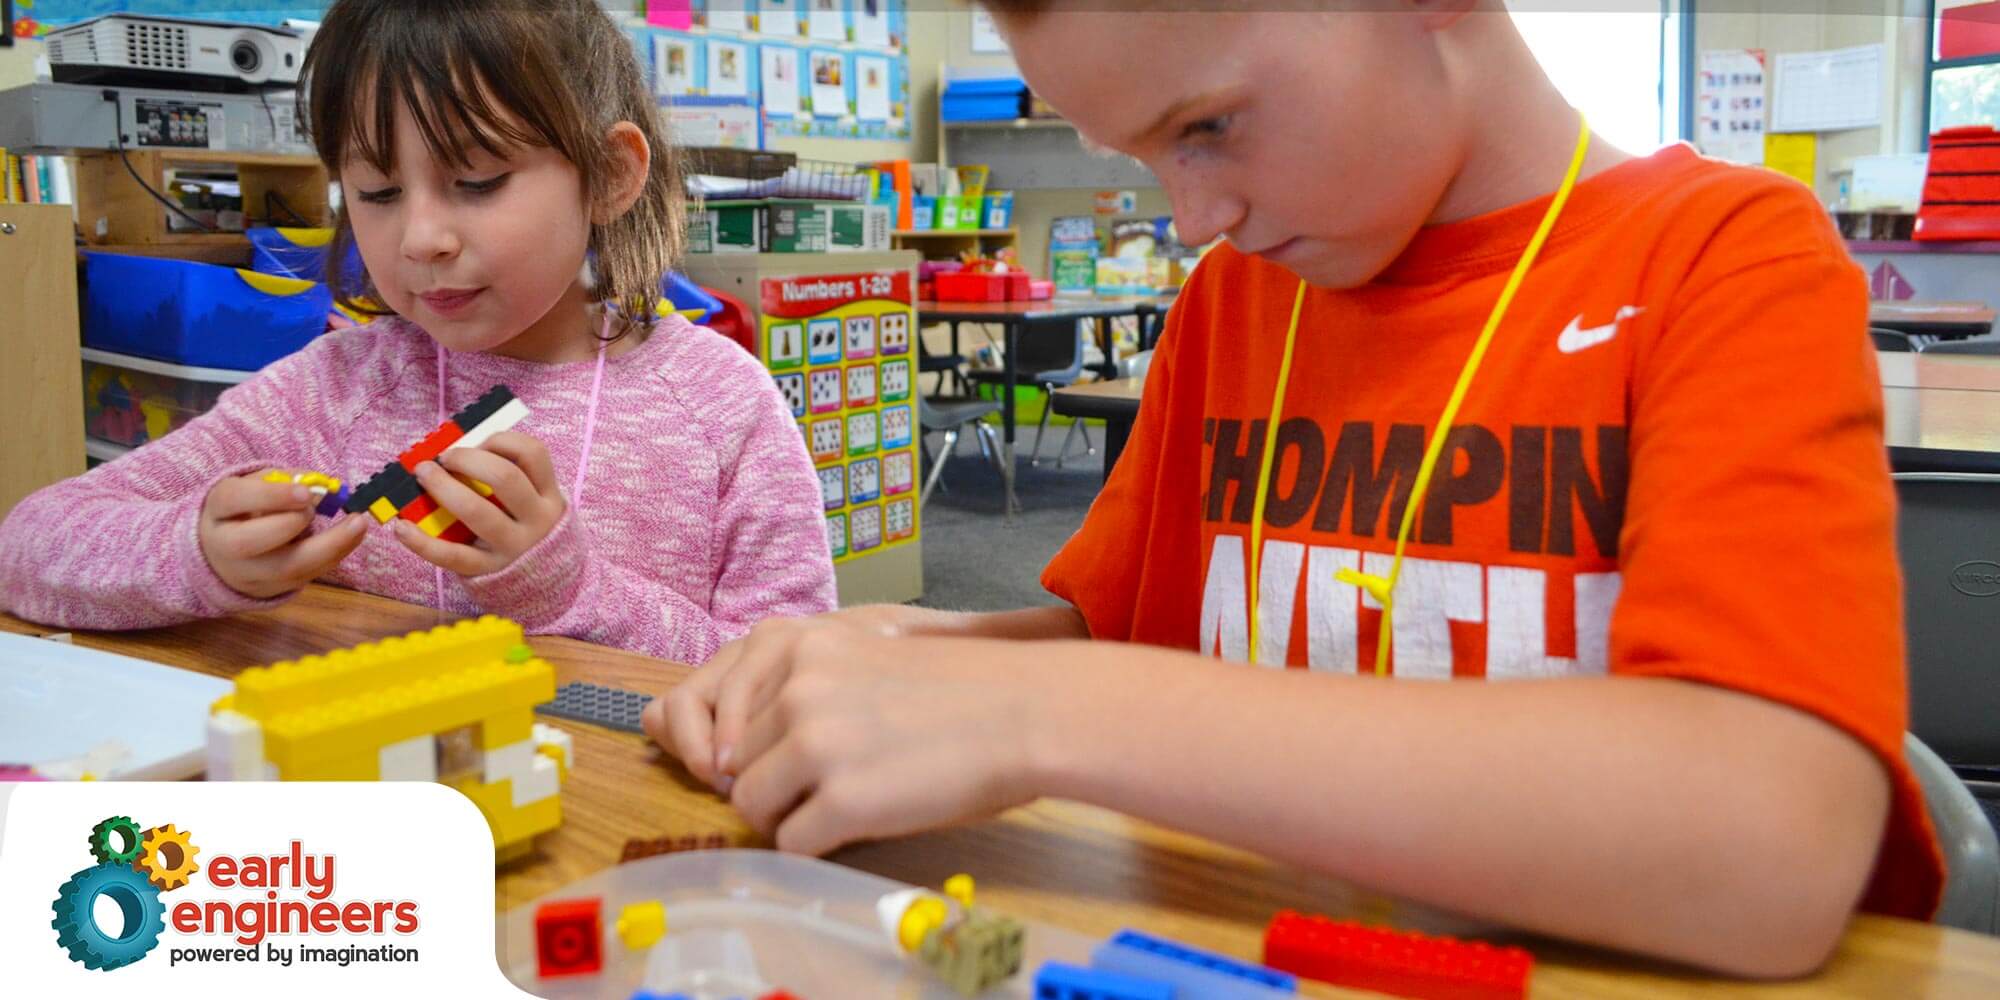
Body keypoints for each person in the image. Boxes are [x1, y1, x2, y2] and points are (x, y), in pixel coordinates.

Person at [645, 2, 1943, 976]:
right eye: (1143, 153)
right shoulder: (1235, 306)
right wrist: (889, 658)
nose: (1192, 215)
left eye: (1205, 125)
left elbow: (1775, 844)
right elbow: (1125, 652)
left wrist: (1028, 699)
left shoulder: (1726, 262)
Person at [0, 0, 835, 662]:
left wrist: (573, 590)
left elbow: (795, 682)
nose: (420, 239)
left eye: (475, 180)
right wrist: (195, 553)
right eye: (377, 190)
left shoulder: (721, 407)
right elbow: (30, 544)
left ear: (610, 175)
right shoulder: (333, 388)